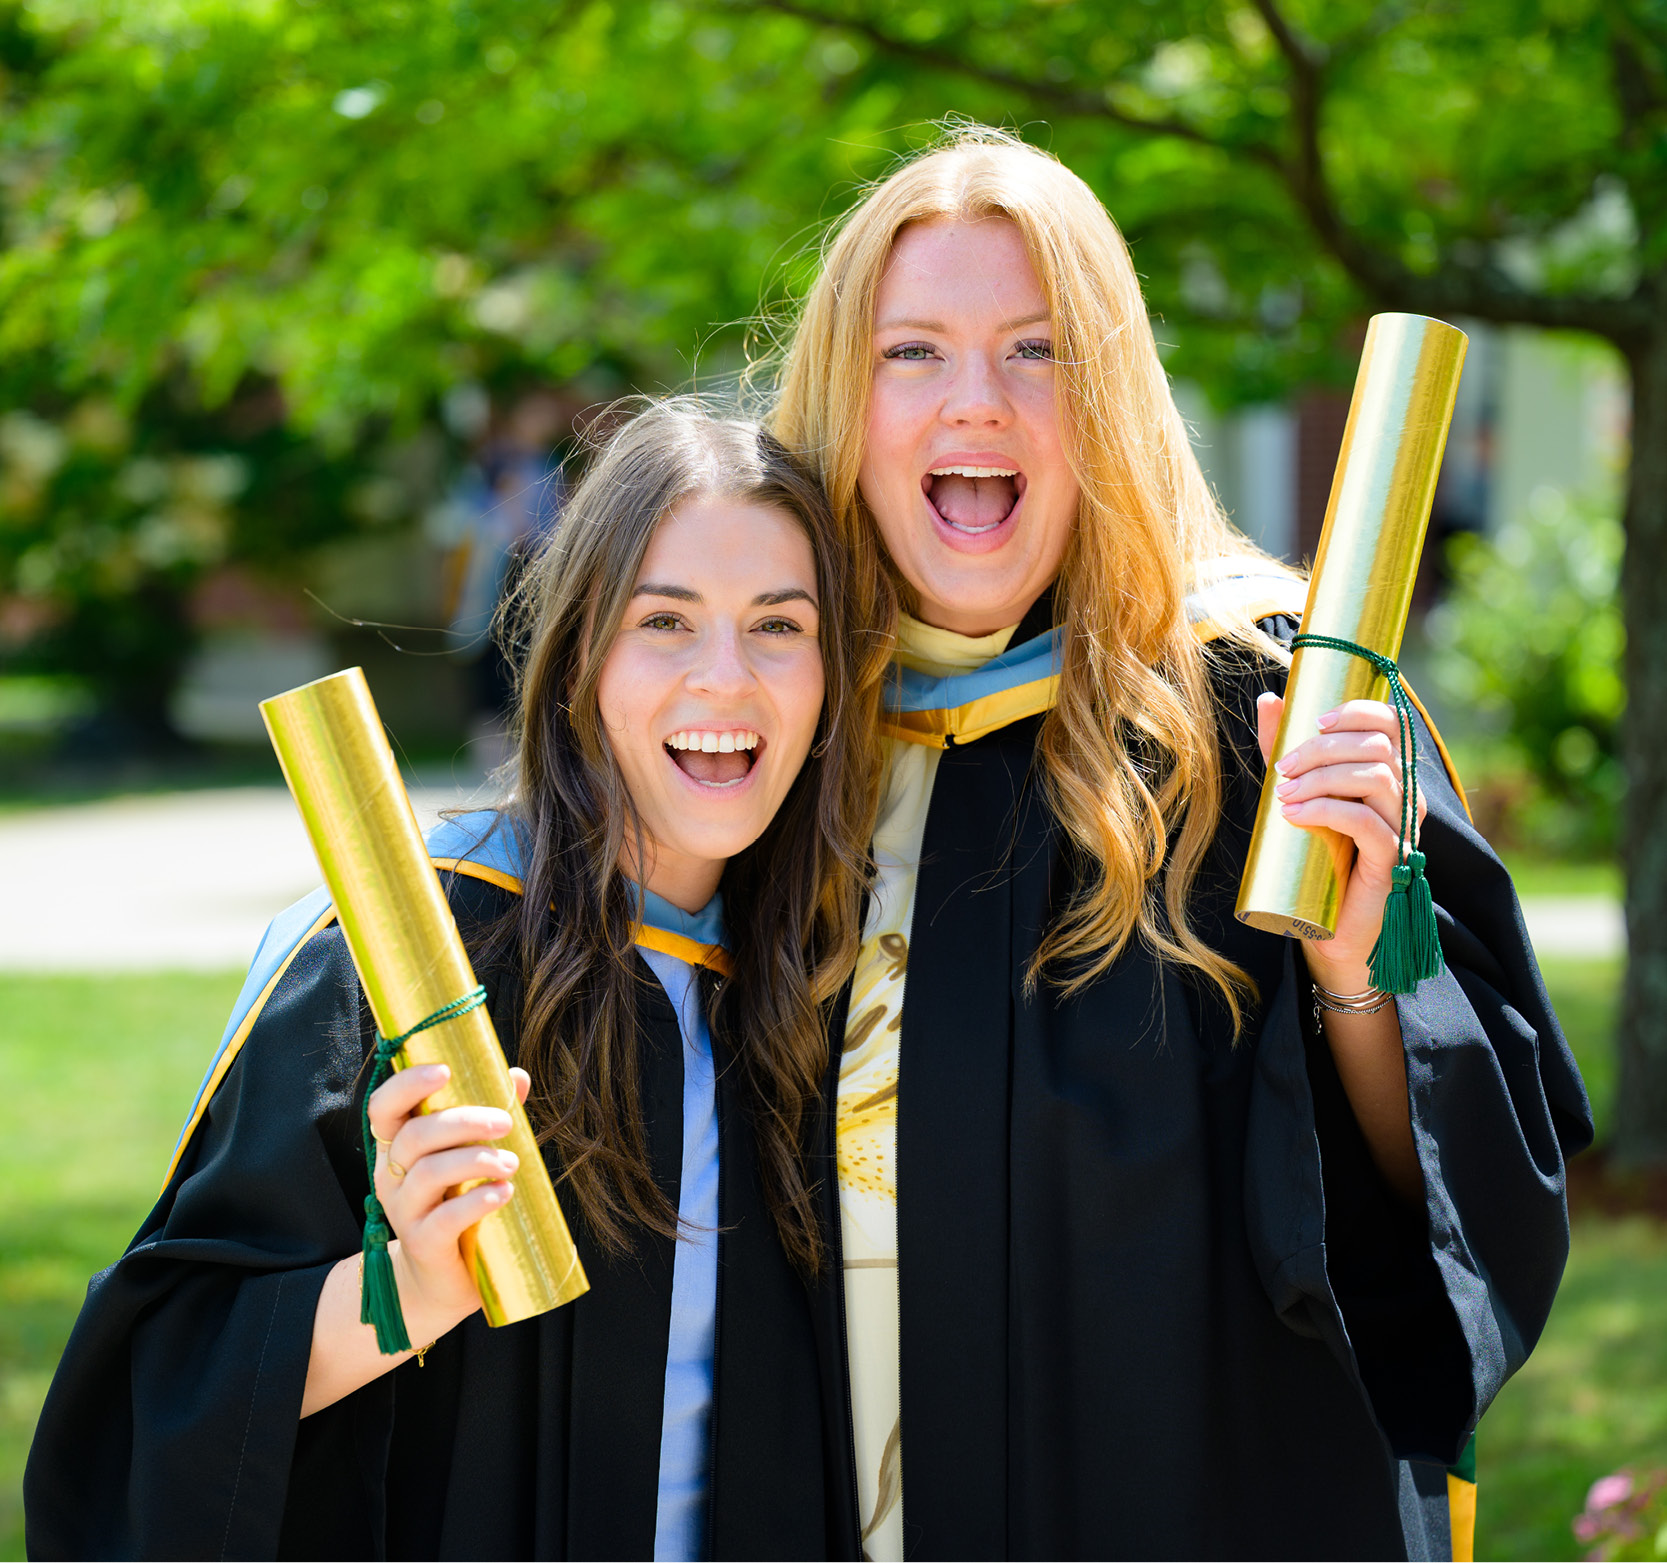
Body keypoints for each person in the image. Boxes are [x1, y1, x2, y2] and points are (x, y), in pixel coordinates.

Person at [769, 128, 1592, 1560]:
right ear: (842, 397)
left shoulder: (1263, 710)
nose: (977, 400)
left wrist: (1349, 961)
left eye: (1037, 350)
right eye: (913, 352)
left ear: (1113, 395)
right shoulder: (773, 747)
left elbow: (1440, 1236)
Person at [25, 401, 879, 1560]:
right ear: (579, 656)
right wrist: (412, 1288)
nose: (723, 679)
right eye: (664, 623)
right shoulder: (395, 966)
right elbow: (161, 1395)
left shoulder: (840, 985)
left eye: (778, 625)